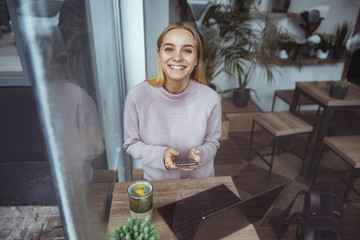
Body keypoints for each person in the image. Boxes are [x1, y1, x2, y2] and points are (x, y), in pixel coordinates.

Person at [123, 22, 222, 180]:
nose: (177, 57)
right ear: (159, 55)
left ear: (196, 59)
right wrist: (160, 156)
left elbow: (212, 142)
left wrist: (201, 155)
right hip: (158, 185)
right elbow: (131, 143)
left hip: (200, 184)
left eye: (187, 50)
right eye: (169, 49)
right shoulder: (137, 96)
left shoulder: (210, 98)